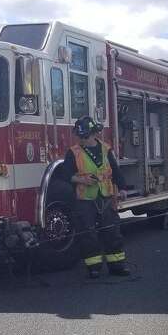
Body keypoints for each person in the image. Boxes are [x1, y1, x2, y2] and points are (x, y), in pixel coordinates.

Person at [60, 116, 130, 279]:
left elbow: (116, 171)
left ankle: (117, 265)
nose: (82, 140)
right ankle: (94, 267)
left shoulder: (106, 149)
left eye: (85, 137)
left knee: (112, 231)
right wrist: (81, 179)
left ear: (93, 134)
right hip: (85, 199)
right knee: (88, 234)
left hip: (105, 197)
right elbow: (65, 175)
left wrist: (123, 189)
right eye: (80, 137)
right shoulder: (73, 152)